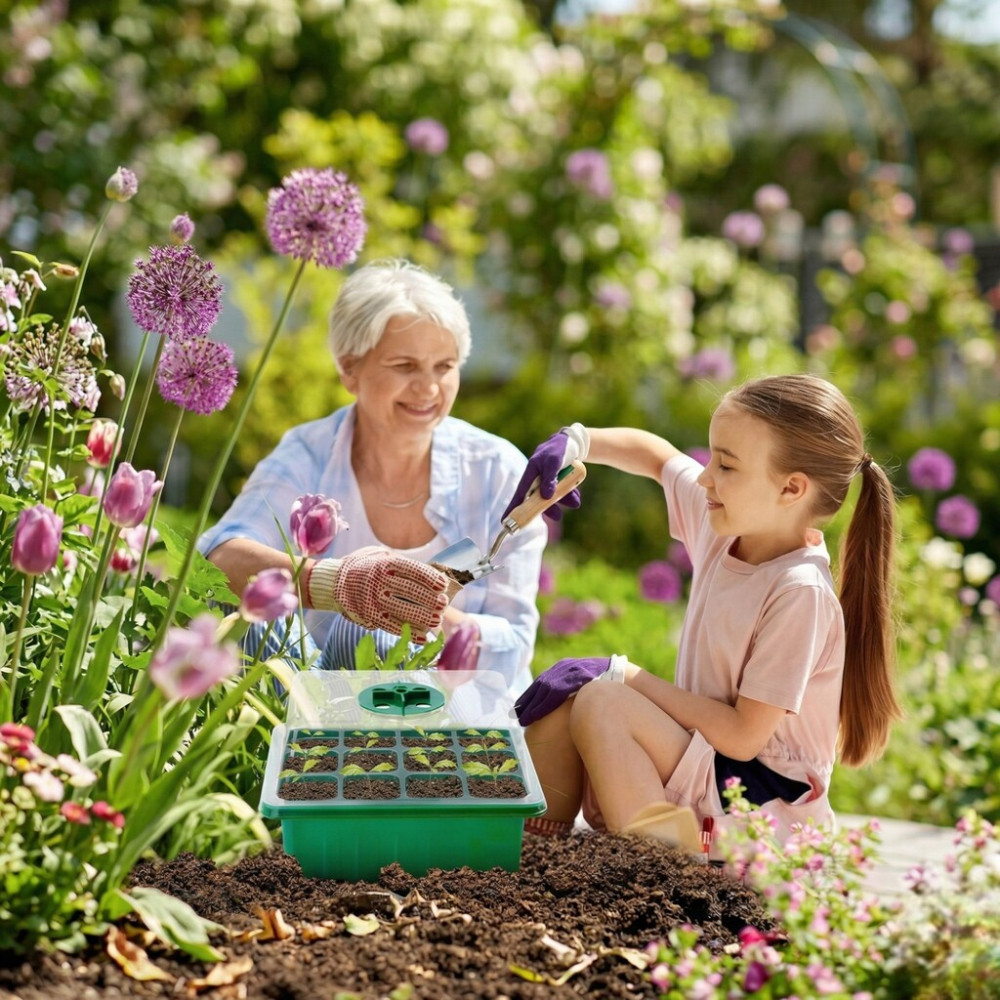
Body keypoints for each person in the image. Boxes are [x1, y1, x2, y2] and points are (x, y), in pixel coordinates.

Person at [505, 373, 901, 851]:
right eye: (711, 457)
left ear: (792, 489)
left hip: (760, 813)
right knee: (565, 699)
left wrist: (624, 675)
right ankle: (534, 855)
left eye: (727, 466)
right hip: (709, 765)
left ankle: (659, 869)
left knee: (600, 699)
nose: (705, 475)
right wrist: (577, 441)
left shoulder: (800, 592)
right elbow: (655, 457)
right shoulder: (727, 527)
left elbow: (741, 737)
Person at [199, 259, 546, 692]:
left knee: (371, 635)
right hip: (311, 703)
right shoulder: (309, 453)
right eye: (405, 366)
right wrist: (336, 584)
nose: (429, 389)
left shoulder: (497, 473)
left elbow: (513, 646)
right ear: (349, 369)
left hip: (449, 717)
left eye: (444, 366)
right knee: (253, 621)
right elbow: (219, 560)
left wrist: (427, 617)